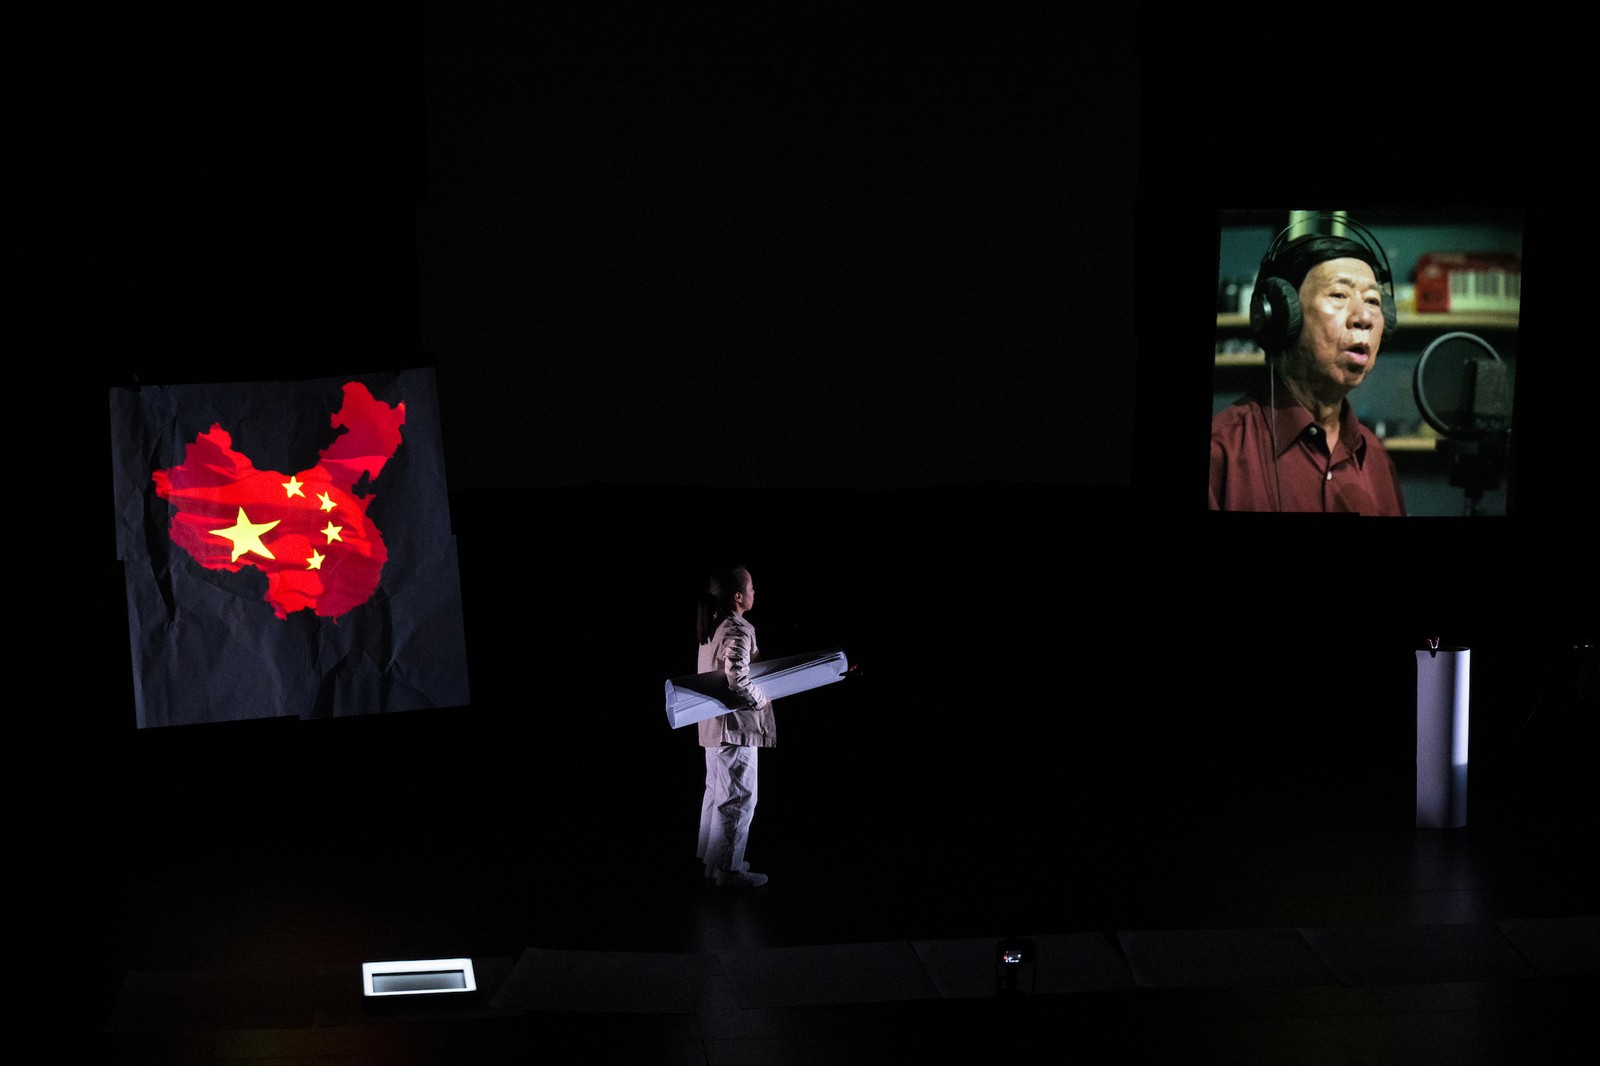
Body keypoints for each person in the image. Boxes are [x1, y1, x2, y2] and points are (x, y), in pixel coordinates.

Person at [1210, 223, 1407, 514]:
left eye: (1373, 301)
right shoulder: (1221, 450)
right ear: (1280, 314)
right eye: (1339, 295)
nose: (1364, 317)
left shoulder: (1376, 458)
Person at [694, 565, 774, 889]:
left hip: (713, 727)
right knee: (739, 798)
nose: (755, 592)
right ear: (738, 596)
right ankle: (729, 871)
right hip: (734, 727)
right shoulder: (737, 628)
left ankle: (716, 864)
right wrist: (762, 700)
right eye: (751, 587)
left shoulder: (713, 626)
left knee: (717, 795)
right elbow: (737, 676)